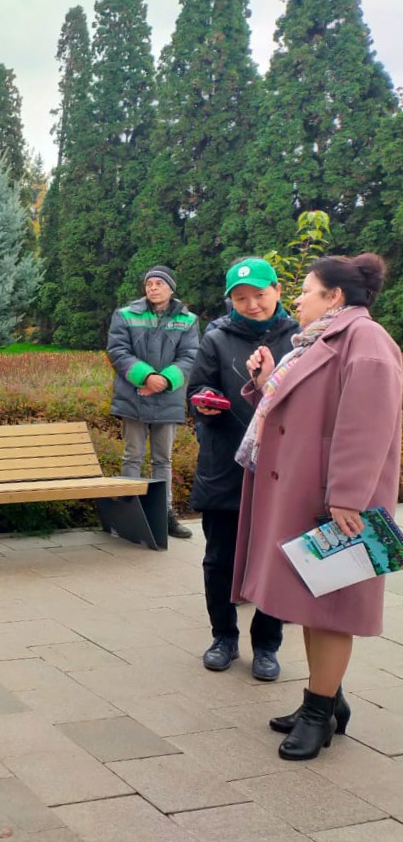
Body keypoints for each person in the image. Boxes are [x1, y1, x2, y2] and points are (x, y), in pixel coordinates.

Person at [233, 254, 402, 761]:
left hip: (338, 504)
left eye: (307, 290)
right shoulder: (321, 339)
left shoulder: (366, 341)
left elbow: (367, 426)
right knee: (314, 600)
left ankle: (318, 713)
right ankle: (328, 700)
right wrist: (266, 380)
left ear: (335, 296)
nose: (299, 298)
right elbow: (305, 410)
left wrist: (347, 495)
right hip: (311, 493)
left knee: (331, 611)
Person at [188, 259, 297, 680]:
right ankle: (223, 637)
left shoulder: (299, 337)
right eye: (240, 298)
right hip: (226, 462)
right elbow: (198, 387)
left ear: (277, 291)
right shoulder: (216, 338)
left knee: (275, 558)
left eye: (259, 295)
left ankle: (267, 644)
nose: (252, 304)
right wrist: (205, 401)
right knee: (219, 558)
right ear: (230, 300)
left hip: (280, 466)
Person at [107, 265, 199, 538]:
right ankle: (128, 514)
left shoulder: (187, 320)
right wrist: (146, 377)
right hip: (133, 396)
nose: (153, 288)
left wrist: (165, 380)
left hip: (168, 397)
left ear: (171, 288)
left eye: (159, 283)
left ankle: (164, 514)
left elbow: (190, 355)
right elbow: (117, 351)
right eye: (149, 284)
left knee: (163, 459)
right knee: (132, 455)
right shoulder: (125, 315)